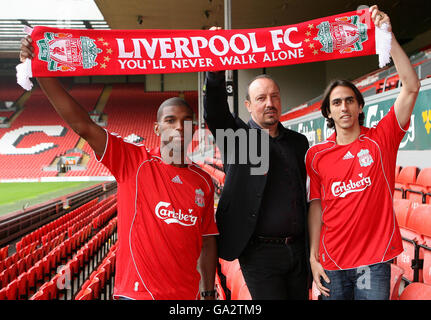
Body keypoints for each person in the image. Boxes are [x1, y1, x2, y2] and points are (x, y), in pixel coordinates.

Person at [20, 36, 219, 300]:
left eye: (186, 121)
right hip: (136, 295)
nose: (179, 127)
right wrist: (42, 71)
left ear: (195, 127)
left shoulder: (203, 181)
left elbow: (207, 241)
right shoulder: (133, 161)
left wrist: (207, 293)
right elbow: (84, 126)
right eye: (171, 120)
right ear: (157, 129)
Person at [306, 5, 421, 300]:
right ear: (328, 112)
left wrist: (388, 36)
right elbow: (317, 207)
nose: (343, 107)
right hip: (331, 261)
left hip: (374, 260)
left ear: (359, 106)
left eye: (349, 101)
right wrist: (313, 256)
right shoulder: (316, 155)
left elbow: (410, 87)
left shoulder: (381, 139)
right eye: (336, 103)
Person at [204, 70, 310, 298]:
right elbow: (215, 113)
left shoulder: (298, 142)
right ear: (248, 105)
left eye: (275, 96)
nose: (270, 103)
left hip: (298, 252)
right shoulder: (238, 138)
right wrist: (214, 74)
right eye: (261, 98)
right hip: (260, 254)